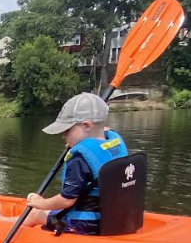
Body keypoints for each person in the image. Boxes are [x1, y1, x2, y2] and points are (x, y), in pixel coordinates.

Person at [20, 92, 128, 235]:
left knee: (34, 214)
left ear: (87, 126)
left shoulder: (79, 160)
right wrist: (81, 141)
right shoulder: (114, 142)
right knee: (50, 210)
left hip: (85, 225)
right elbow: (103, 130)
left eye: (67, 130)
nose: (63, 136)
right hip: (114, 219)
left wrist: (41, 203)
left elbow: (66, 201)